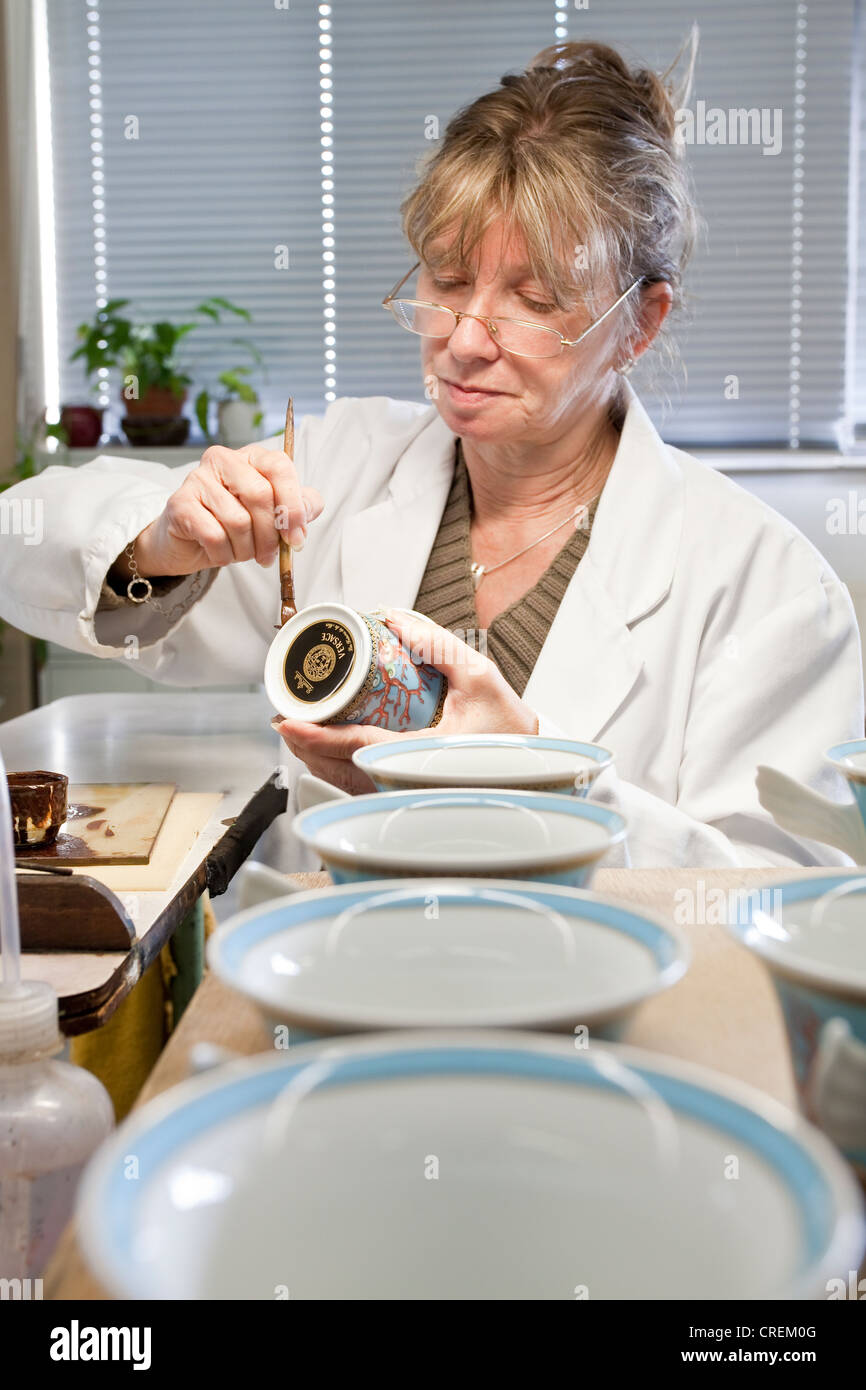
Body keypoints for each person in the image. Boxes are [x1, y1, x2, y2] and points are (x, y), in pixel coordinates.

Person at [1, 35, 863, 874]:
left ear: (641, 321)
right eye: (447, 279)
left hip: (597, 1014)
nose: (462, 340)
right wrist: (161, 545)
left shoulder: (765, 586)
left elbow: (783, 902)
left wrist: (539, 776)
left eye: (532, 298)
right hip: (338, 990)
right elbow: (20, 538)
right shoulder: (342, 471)